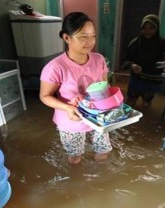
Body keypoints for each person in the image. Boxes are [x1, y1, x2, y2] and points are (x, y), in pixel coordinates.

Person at [39, 12, 112, 165]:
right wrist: (67, 107)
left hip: (97, 116)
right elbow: (45, 96)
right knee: (75, 156)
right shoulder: (55, 67)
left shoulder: (99, 60)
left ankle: (99, 181)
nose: (90, 42)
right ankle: (77, 182)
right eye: (83, 37)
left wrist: (113, 103)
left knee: (103, 150)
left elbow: (105, 86)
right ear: (66, 37)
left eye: (92, 36)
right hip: (72, 118)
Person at [122, 14, 165, 108]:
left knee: (146, 102)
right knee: (131, 100)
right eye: (145, 28)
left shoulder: (163, 43)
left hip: (153, 78)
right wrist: (132, 65)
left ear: (157, 28)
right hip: (137, 77)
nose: (147, 31)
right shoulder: (135, 43)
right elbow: (126, 59)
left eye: (151, 28)